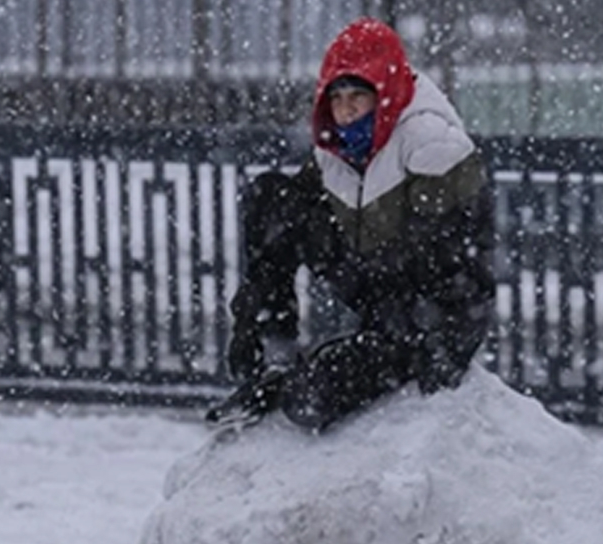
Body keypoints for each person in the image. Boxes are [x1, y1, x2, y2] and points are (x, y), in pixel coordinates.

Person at [205, 16, 495, 432]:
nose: (345, 110)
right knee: (271, 196)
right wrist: (254, 317)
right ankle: (276, 355)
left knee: (311, 402)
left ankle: (307, 379)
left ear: (386, 93)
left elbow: (455, 269)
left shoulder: (433, 143)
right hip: (380, 286)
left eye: (358, 96)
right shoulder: (336, 147)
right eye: (336, 98)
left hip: (430, 318)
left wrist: (435, 353)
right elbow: (289, 219)